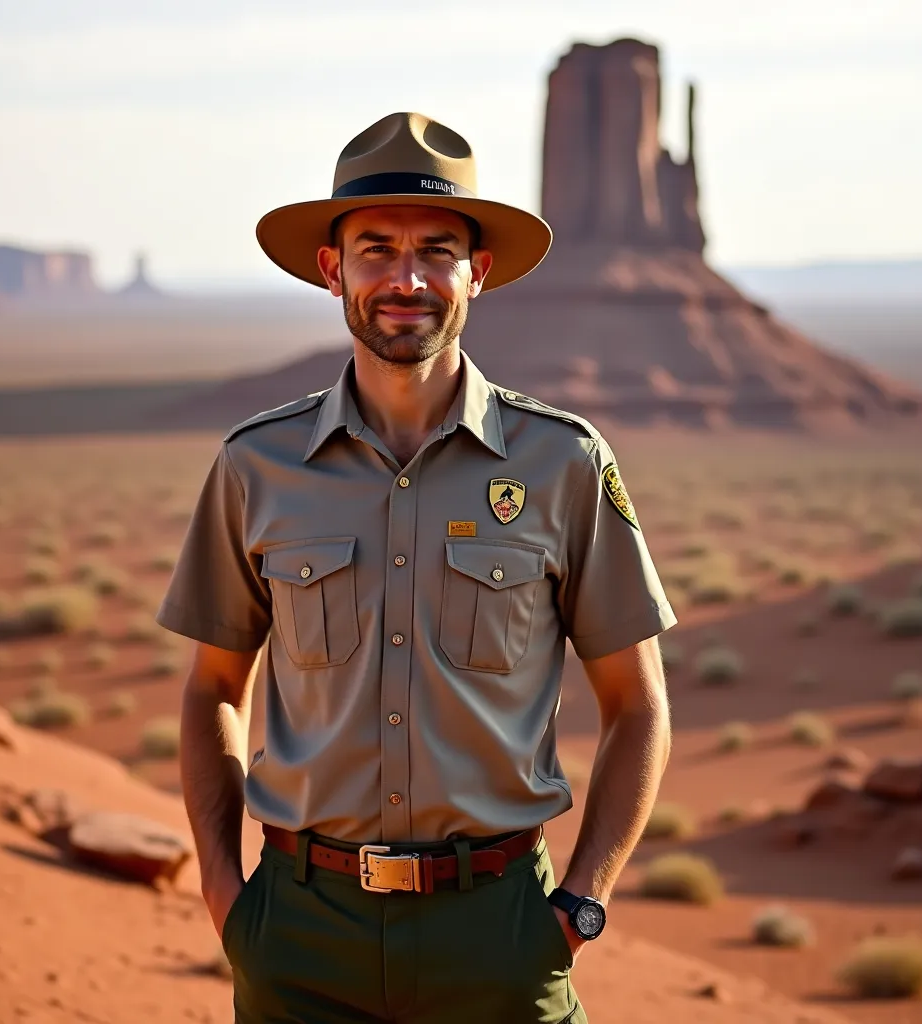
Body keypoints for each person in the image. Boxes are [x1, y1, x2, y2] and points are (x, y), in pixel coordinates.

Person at [157, 111, 675, 1024]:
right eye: (375, 249)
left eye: (437, 249)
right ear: (333, 269)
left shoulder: (563, 463)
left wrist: (579, 905)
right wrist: (224, 894)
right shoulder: (255, 466)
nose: (406, 279)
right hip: (299, 936)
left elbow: (638, 706)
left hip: (501, 936)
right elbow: (211, 692)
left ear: (480, 272)